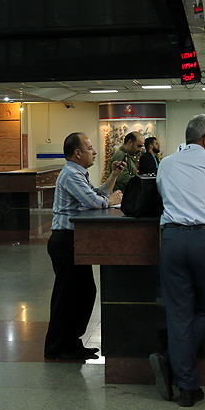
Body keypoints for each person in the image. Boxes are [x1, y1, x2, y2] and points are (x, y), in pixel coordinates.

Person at [149, 115, 205, 407]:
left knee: (178, 314)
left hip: (171, 241)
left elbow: (162, 195)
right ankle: (174, 362)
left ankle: (187, 388)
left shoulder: (166, 163)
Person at [45, 132, 125, 361]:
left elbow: (96, 194)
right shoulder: (70, 174)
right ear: (77, 153)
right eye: (90, 148)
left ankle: (72, 342)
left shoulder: (78, 174)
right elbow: (95, 202)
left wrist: (113, 177)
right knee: (67, 295)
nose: (95, 152)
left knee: (84, 292)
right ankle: (58, 347)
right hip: (64, 240)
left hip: (76, 240)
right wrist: (111, 200)